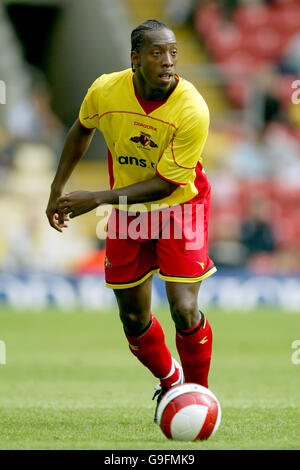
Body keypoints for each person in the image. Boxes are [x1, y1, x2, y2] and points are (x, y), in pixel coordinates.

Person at [46, 19, 217, 422]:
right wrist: (57, 188)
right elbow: (81, 130)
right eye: (158, 52)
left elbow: (164, 185)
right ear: (135, 58)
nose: (169, 61)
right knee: (133, 316)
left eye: (173, 52)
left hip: (180, 207)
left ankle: (198, 396)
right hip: (128, 210)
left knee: (183, 307)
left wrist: (98, 199)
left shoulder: (192, 108)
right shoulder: (106, 89)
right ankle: (171, 378)